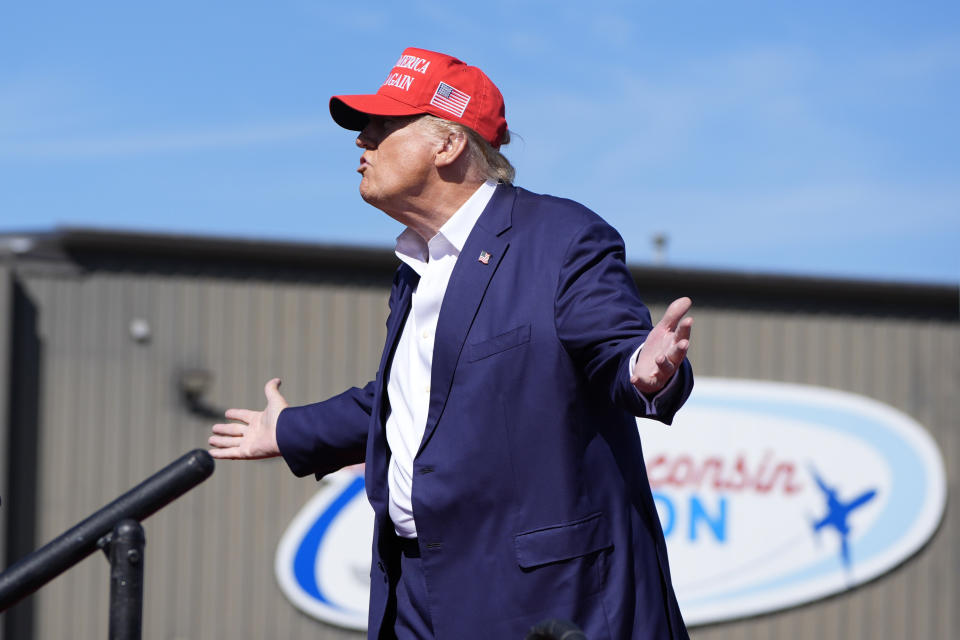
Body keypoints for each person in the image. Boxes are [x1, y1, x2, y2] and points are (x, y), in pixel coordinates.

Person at [209, 47, 694, 640]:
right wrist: (285, 430)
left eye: (383, 127)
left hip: (545, 600)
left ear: (447, 143)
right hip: (418, 592)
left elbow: (619, 352)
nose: (362, 143)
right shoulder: (417, 263)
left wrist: (647, 372)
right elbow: (410, 403)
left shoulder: (562, 237)